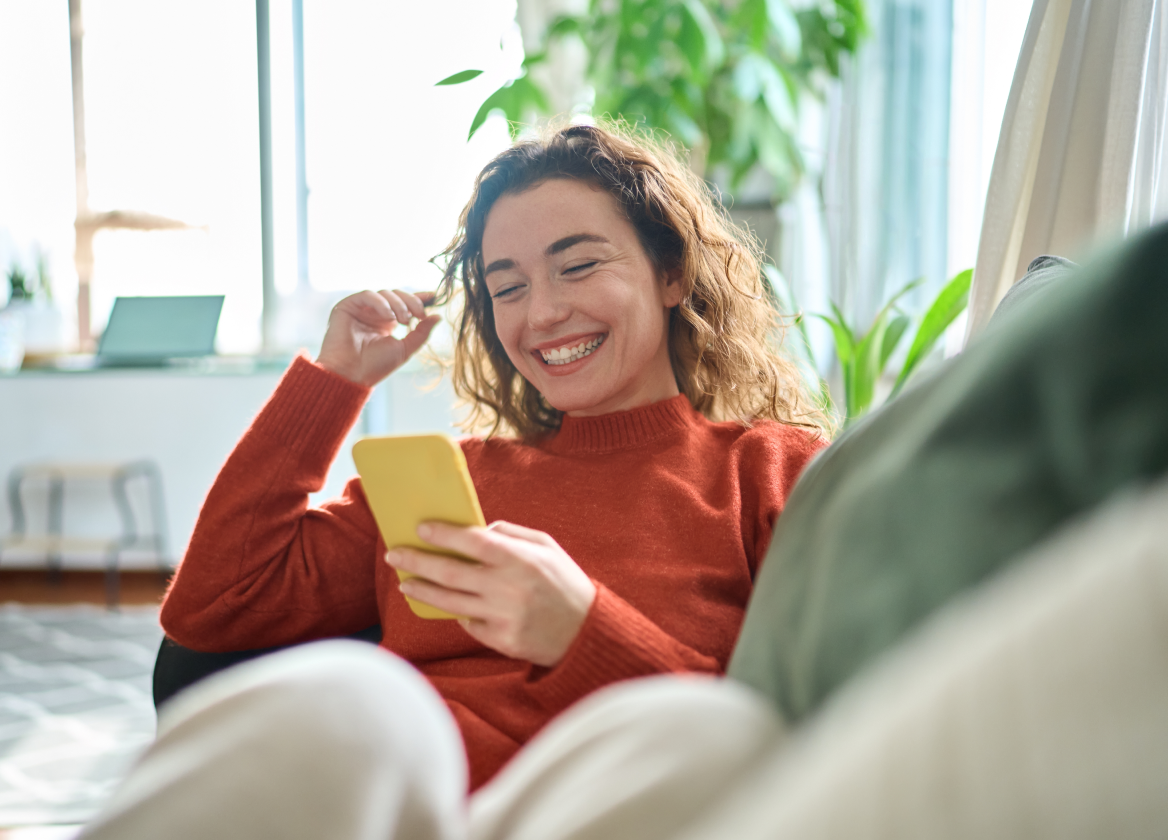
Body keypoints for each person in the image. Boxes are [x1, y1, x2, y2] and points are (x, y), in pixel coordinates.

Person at [156, 122, 826, 793]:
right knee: (344, 706)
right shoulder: (454, 484)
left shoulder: (771, 475)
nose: (541, 315)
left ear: (671, 272)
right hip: (399, 803)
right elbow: (212, 607)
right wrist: (334, 381)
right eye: (508, 288)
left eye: (579, 265)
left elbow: (794, 742)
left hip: (619, 806)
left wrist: (582, 632)